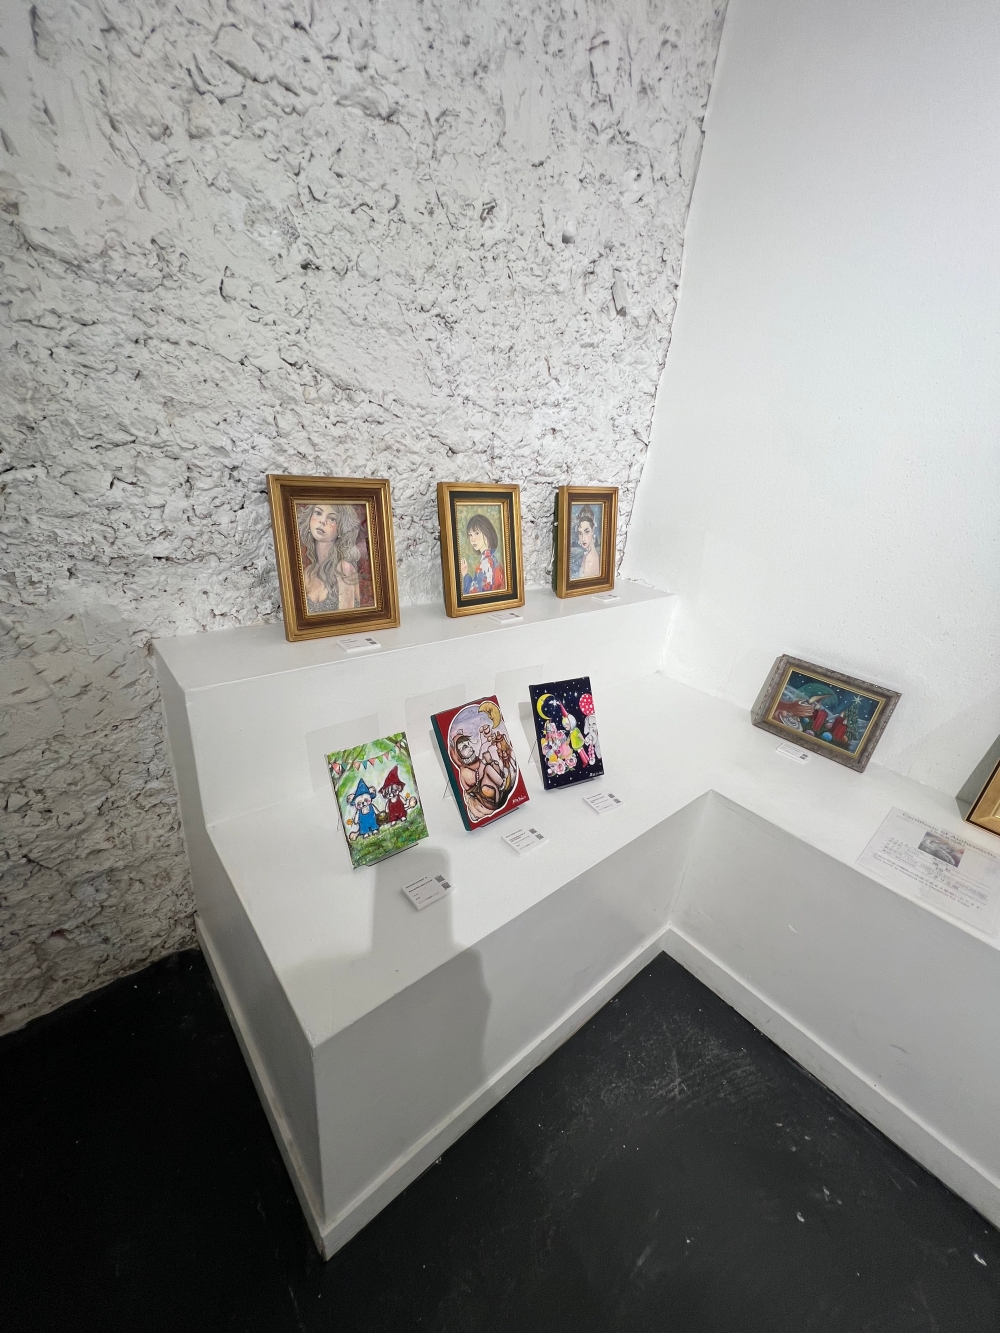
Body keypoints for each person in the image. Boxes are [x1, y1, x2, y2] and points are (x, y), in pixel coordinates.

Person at [297, 503, 366, 612]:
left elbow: (347, 619)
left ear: (341, 528)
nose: (322, 521)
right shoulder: (307, 573)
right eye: (318, 513)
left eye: (332, 519)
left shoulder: (344, 568)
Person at [449, 726, 515, 822]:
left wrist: (491, 761)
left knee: (492, 766)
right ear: (458, 754)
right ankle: (503, 784)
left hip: (491, 791)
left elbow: (488, 771)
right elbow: (477, 778)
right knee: (487, 768)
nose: (470, 747)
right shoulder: (464, 770)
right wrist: (484, 763)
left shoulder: (475, 760)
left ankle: (502, 783)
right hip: (482, 796)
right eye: (464, 747)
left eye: (468, 744)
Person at [461, 514, 505, 595]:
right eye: (470, 535)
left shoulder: (485, 564)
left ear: (487, 533)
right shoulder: (493, 560)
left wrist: (465, 575)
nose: (472, 539)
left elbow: (472, 594)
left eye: (477, 533)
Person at [572, 506, 601, 580]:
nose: (583, 538)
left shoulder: (589, 559)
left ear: (593, 530)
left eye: (587, 532)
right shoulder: (588, 554)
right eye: (580, 533)